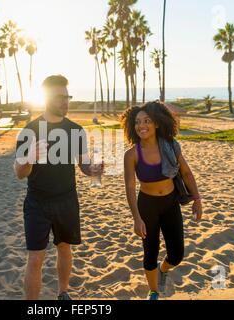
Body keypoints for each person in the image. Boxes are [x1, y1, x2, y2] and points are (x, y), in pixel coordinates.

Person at [14, 75, 103, 300]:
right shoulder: (30, 131)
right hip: (37, 202)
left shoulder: (76, 130)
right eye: (60, 97)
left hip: (67, 200)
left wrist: (93, 169)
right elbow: (19, 173)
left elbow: (83, 165)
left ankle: (63, 293)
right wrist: (29, 159)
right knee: (36, 258)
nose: (66, 102)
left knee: (64, 248)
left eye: (67, 96)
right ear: (47, 98)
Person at [121, 101, 203, 300]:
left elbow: (186, 172)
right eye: (138, 122)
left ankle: (163, 269)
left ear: (156, 123)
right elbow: (130, 188)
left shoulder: (171, 146)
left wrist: (197, 199)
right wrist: (136, 218)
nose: (142, 125)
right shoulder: (131, 154)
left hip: (170, 203)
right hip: (147, 206)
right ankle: (154, 291)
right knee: (150, 251)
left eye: (147, 120)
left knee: (176, 254)